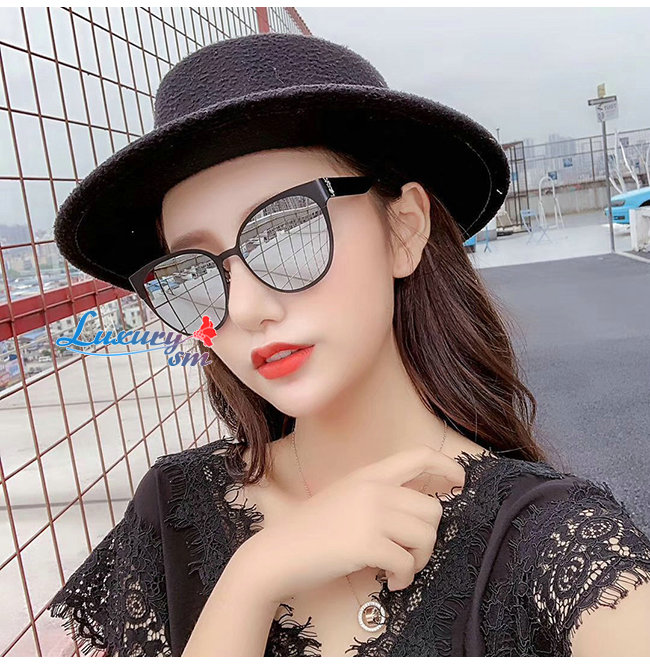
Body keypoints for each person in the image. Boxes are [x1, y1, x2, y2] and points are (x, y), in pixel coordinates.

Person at [48, 32, 650, 657]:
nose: (246, 309)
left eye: (287, 232)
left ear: (404, 230)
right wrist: (250, 580)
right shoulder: (174, 510)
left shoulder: (556, 551)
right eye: (193, 272)